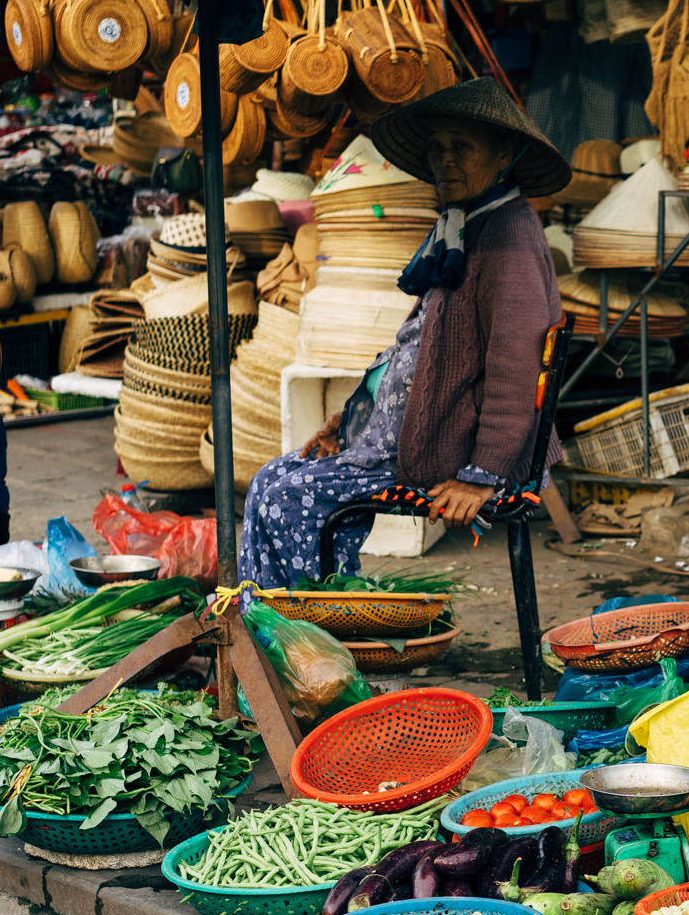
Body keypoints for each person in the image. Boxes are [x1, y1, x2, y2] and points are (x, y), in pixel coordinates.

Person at [238, 80, 568, 589]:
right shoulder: (464, 225)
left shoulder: (509, 236)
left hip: (449, 452)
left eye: (462, 148)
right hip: (404, 439)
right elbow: (413, 349)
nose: (445, 160)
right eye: (437, 148)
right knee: (269, 481)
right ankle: (271, 623)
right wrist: (350, 423)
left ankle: (314, 635)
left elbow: (516, 370)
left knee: (288, 497)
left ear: (504, 155)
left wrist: (481, 476)